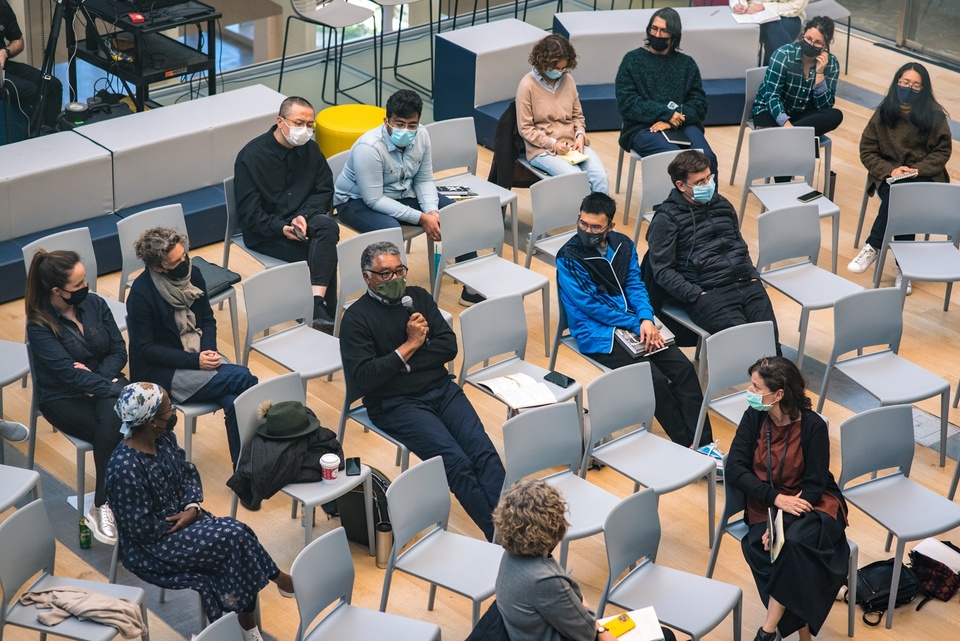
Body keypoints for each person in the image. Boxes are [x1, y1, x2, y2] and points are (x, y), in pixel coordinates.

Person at [339, 241, 505, 540]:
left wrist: (400, 363)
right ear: (368, 277)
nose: (396, 280)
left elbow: (448, 346)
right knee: (457, 463)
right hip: (396, 404)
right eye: (385, 274)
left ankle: (517, 528)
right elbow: (365, 378)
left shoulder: (417, 298)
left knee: (485, 455)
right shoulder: (356, 319)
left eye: (399, 271)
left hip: (441, 389)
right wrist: (412, 344)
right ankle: (504, 539)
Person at [106, 382, 294, 641]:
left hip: (186, 518)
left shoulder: (163, 438)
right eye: (167, 409)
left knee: (235, 543)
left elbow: (186, 472)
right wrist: (181, 520)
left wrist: (192, 507)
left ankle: (241, 627)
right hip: (155, 544)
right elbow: (140, 528)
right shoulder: (124, 468)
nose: (172, 412)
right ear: (151, 421)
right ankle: (272, 591)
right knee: (235, 536)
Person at [556, 192, 713, 451]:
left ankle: (704, 443)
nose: (588, 230)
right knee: (654, 379)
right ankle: (687, 445)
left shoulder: (624, 245)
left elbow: (635, 284)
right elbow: (590, 305)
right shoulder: (568, 257)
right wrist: (635, 322)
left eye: (596, 227)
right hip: (597, 332)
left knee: (683, 369)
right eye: (583, 223)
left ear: (610, 227)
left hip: (636, 324)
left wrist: (646, 318)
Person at [725, 357, 849, 641]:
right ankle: (802, 631)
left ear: (778, 394)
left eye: (756, 387)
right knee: (767, 549)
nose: (750, 391)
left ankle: (768, 630)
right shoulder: (754, 416)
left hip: (811, 501)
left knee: (791, 545)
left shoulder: (813, 426)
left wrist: (782, 520)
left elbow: (815, 483)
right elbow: (734, 469)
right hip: (767, 504)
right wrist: (775, 499)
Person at [334, 89, 482, 306]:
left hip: (400, 192)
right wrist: (422, 218)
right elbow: (374, 200)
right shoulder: (370, 148)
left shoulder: (421, 135)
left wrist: (431, 210)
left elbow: (423, 179)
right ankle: (393, 296)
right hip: (356, 202)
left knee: (452, 214)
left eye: (412, 124)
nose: (406, 129)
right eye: (399, 123)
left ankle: (471, 289)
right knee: (390, 230)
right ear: (387, 121)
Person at [126, 227, 258, 467]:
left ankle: (245, 471)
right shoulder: (141, 294)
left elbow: (207, 319)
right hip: (165, 371)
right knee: (245, 379)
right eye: (176, 261)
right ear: (159, 267)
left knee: (235, 400)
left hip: (197, 352)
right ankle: (251, 468)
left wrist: (207, 351)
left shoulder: (193, 274)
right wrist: (195, 362)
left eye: (184, 255)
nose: (184, 262)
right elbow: (147, 349)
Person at [25, 250, 126, 544]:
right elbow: (69, 377)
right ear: (57, 291)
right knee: (125, 425)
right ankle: (106, 504)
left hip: (100, 383)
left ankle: (105, 503)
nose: (86, 288)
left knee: (130, 421)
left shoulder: (95, 304)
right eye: (78, 285)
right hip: (63, 398)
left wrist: (95, 379)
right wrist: (112, 386)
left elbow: (119, 351)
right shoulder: (40, 326)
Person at [493, 480, 677, 641]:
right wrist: (595, 622)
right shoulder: (544, 579)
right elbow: (587, 632)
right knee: (665, 636)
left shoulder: (510, 556)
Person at [646, 150, 781, 353]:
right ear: (681, 185)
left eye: (709, 177)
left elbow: (739, 244)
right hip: (710, 292)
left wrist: (753, 276)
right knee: (747, 349)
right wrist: (695, 294)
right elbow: (662, 271)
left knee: (771, 345)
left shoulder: (722, 204)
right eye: (700, 182)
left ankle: (780, 385)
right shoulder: (666, 219)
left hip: (746, 282)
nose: (708, 184)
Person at [234, 96, 339, 332]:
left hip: (303, 220)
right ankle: (320, 319)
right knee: (321, 252)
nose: (305, 130)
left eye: (310, 125)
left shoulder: (311, 150)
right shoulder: (251, 157)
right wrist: (282, 228)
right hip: (267, 231)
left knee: (328, 229)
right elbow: (250, 214)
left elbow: (324, 190)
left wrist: (303, 215)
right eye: (299, 123)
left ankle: (315, 304)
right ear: (280, 121)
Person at [849, 62, 952, 295]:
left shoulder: (934, 116)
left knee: (904, 196)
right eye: (905, 83)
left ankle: (873, 245)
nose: (909, 88)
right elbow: (867, 150)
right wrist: (890, 170)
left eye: (915, 85)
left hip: (925, 178)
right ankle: (903, 267)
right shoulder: (883, 113)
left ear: (923, 89)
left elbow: (942, 152)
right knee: (901, 196)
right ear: (897, 83)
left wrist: (916, 170)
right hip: (890, 178)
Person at [615, 7, 718, 178]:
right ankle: (673, 205)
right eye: (654, 29)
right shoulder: (632, 60)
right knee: (676, 160)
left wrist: (673, 120)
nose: (657, 34)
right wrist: (665, 114)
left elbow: (699, 104)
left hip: (683, 124)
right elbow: (628, 102)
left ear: (674, 35)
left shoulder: (686, 64)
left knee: (707, 159)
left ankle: (708, 204)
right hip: (642, 127)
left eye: (664, 31)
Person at [516, 34, 609, 194]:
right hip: (543, 150)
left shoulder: (568, 80)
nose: (560, 72)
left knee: (601, 177)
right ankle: (583, 218)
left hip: (572, 144)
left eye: (563, 68)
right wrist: (553, 144)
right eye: (556, 68)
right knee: (578, 181)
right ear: (543, 62)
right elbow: (526, 129)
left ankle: (602, 218)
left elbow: (577, 116)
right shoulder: (527, 85)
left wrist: (580, 135)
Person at [751, 16, 843, 140]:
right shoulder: (783, 55)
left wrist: (820, 73)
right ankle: (794, 139)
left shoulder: (832, 64)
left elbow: (824, 107)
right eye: (808, 38)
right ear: (803, 34)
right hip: (771, 110)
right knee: (800, 142)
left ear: (827, 44)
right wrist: (787, 126)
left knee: (836, 115)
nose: (811, 44)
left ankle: (783, 139)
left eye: (817, 42)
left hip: (802, 114)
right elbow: (772, 97)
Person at [0, 0, 62, 132]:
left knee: (52, 85)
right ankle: (32, 140)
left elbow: (18, 41)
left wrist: (6, 52)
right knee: (32, 92)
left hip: (4, 64)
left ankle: (52, 134)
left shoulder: (2, 6)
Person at [730, 0, 809, 65]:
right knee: (772, 30)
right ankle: (794, 67)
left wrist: (764, 7)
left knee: (772, 27)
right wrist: (738, 5)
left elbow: (796, 6)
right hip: (751, 14)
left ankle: (768, 75)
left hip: (789, 16)